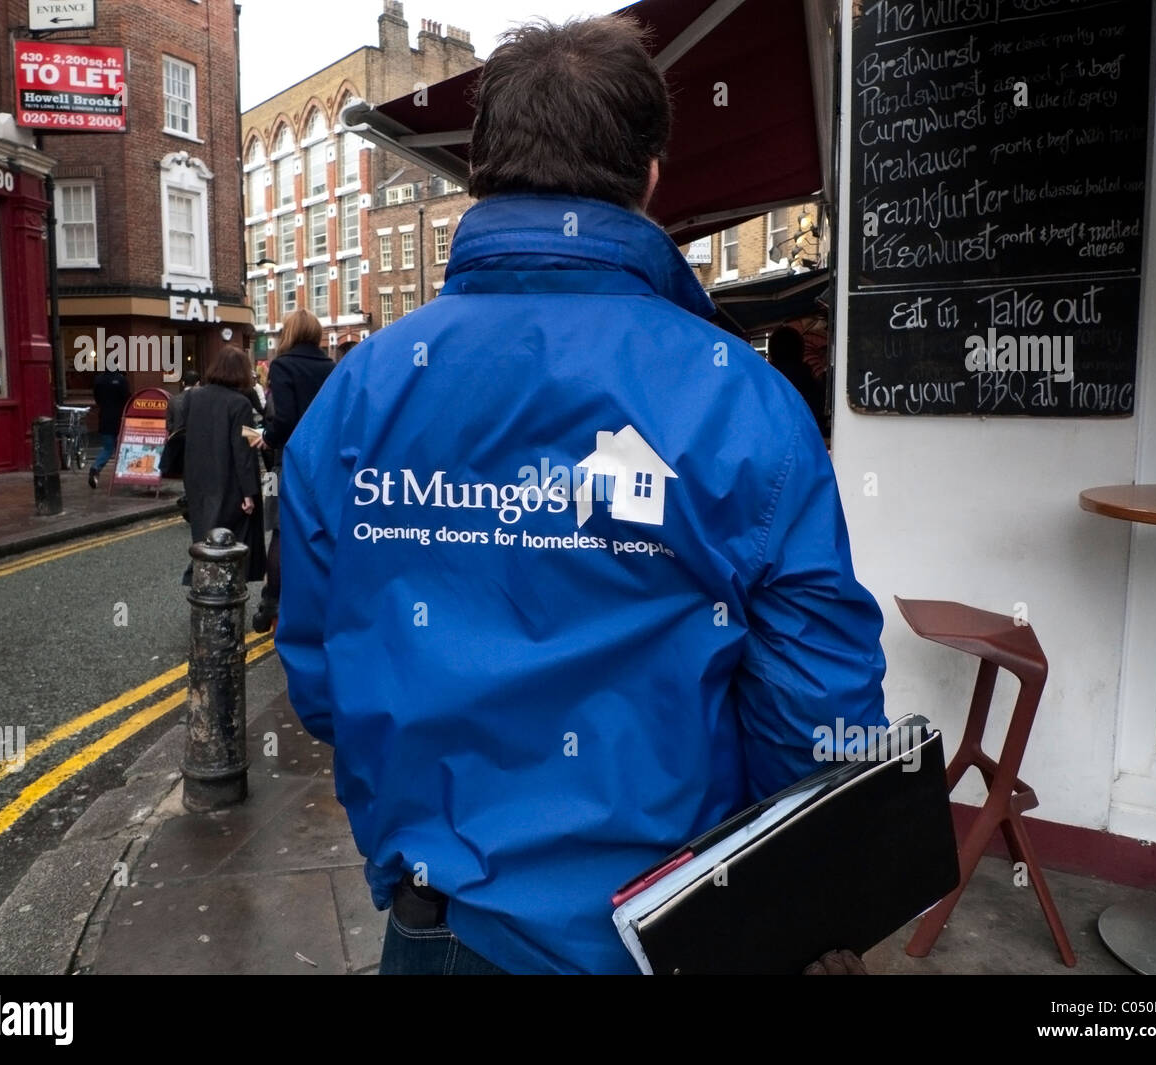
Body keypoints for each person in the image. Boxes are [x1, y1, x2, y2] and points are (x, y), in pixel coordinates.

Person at [276, 15, 885, 975]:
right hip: (673, 926)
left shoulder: (357, 395)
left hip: (440, 927)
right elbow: (817, 711)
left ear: (480, 173)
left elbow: (319, 676)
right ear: (650, 177)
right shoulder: (744, 399)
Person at [247, 309, 334, 632]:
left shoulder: (282, 366)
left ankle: (272, 603)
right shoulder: (330, 366)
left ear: (289, 332)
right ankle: (317, 602)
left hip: (293, 460)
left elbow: (284, 420)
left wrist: (268, 439)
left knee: (282, 533)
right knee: (320, 531)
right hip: (326, 462)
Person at [181, 347, 265, 586]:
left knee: (204, 537)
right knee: (230, 542)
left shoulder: (193, 397)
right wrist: (249, 492)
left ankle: (201, 584)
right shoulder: (239, 404)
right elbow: (244, 451)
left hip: (198, 478)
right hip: (229, 482)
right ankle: (223, 591)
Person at [767, 325, 829, 440]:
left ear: (771, 353)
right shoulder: (813, 387)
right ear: (801, 352)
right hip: (807, 446)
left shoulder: (762, 385)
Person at [88, 367, 130, 489]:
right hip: (119, 418)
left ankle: (96, 467)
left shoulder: (99, 380)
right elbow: (126, 398)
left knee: (107, 448)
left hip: (105, 418)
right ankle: (123, 474)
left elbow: (97, 398)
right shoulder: (121, 380)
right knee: (122, 448)